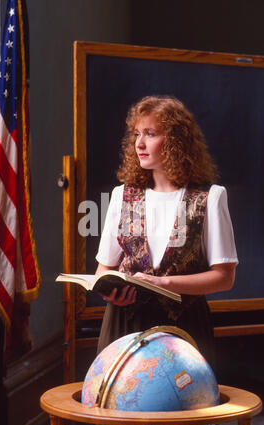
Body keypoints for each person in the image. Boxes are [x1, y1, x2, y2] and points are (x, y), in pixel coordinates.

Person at [95, 95, 238, 370]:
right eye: (136, 133)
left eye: (150, 133)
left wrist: (166, 284)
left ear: (174, 141)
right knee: (119, 407)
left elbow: (224, 277)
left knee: (182, 407)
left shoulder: (209, 197)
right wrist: (109, 292)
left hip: (183, 326)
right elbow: (104, 268)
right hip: (124, 323)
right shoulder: (121, 195)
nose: (139, 143)